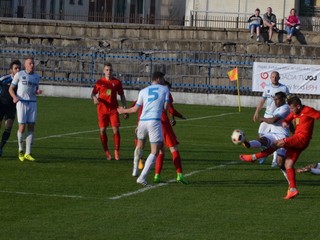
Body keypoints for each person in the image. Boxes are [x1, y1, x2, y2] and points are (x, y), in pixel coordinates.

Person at [240, 96, 320, 200]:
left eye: (292, 108)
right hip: (297, 139)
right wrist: (285, 122)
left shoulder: (308, 110)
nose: (291, 110)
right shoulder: (295, 111)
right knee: (288, 164)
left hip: (302, 139)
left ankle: (254, 157)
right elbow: (287, 118)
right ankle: (292, 190)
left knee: (277, 143)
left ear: (299, 106)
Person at [118, 71, 169, 186]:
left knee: (140, 146)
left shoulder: (143, 91)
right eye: (163, 79)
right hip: (154, 121)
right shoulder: (165, 89)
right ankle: (142, 177)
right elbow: (165, 108)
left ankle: (135, 170)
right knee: (155, 151)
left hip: (142, 121)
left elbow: (135, 109)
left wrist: (123, 111)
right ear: (159, 79)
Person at [242, 92, 290, 180]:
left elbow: (273, 120)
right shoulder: (278, 108)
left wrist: (262, 119)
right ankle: (247, 143)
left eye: (277, 99)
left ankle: (291, 184)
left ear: (283, 99)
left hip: (282, 137)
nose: (275, 101)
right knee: (262, 140)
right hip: (273, 134)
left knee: (280, 163)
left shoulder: (285, 108)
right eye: (274, 99)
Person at [91, 62, 128, 161]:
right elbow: (93, 93)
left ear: (112, 71)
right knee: (102, 131)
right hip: (102, 111)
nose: (109, 72)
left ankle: (116, 150)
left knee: (116, 129)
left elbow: (122, 95)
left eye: (110, 70)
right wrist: (94, 98)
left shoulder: (117, 82)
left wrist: (124, 108)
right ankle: (106, 151)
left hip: (113, 110)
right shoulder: (99, 82)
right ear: (104, 71)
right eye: (107, 70)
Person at [153, 80, 188, 184]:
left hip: (154, 123)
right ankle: (179, 175)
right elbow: (171, 110)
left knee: (160, 151)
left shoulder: (155, 94)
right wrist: (181, 116)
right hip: (164, 124)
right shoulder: (166, 94)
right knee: (173, 148)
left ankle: (157, 176)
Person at [9, 56, 42, 161]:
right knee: (22, 127)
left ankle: (28, 153)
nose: (32, 65)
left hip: (32, 102)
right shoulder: (19, 74)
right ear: (25, 65)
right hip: (21, 102)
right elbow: (11, 88)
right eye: (30, 63)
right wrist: (14, 97)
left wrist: (38, 92)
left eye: (33, 63)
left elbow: (35, 89)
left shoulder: (36, 77)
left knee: (31, 127)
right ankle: (20, 150)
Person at [253, 71, 289, 166]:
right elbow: (262, 100)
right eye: (272, 77)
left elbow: (288, 100)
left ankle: (274, 159)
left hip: (277, 117)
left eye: (276, 77)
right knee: (261, 136)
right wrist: (256, 112)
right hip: (267, 115)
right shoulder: (267, 87)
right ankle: (265, 154)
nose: (274, 78)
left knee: (275, 138)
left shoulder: (284, 88)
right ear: (270, 78)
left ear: (279, 77)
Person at [0, 60, 21, 156]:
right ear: (11, 70)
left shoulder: (22, 81)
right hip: (1, 105)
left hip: (12, 107)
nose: (18, 70)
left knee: (8, 127)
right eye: (15, 68)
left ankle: (1, 147)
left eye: (19, 68)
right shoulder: (5, 79)